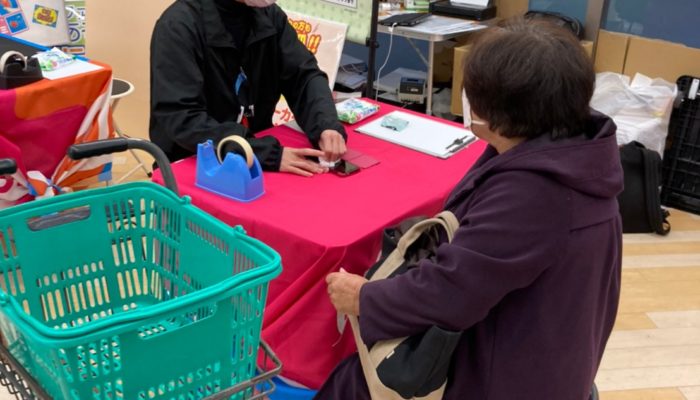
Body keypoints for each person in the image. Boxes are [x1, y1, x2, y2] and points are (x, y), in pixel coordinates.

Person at [318, 18, 623, 400]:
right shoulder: (579, 155)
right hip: (556, 356)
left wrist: (364, 298)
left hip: (507, 375)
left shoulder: (534, 194)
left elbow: (451, 290)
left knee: (350, 383)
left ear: (495, 112)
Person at [149, 0, 347, 177]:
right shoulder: (178, 26)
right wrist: (260, 153)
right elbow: (182, 117)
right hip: (194, 164)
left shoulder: (269, 16)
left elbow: (303, 76)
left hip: (258, 157)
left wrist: (325, 124)